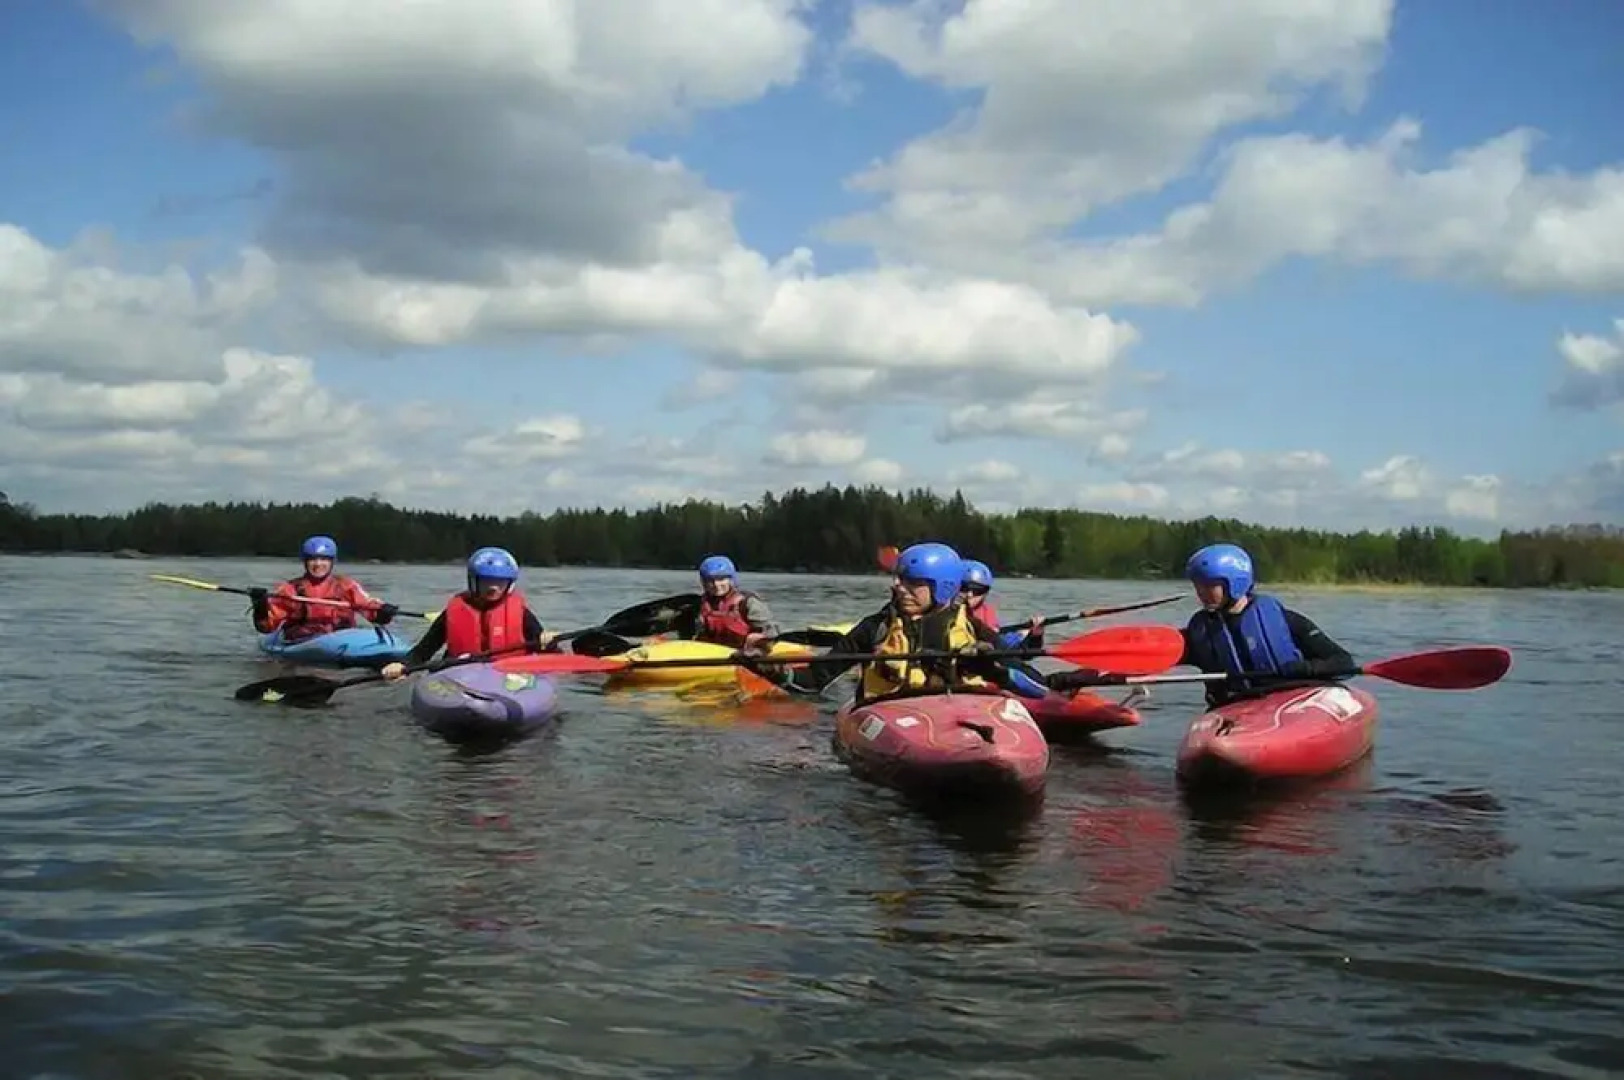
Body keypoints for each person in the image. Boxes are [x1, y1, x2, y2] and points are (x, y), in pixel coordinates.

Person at [744, 541, 1047, 704]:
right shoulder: (874, 628)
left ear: (942, 588)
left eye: (912, 583)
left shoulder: (972, 630)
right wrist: (766, 667)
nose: (898, 587)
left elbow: (1037, 688)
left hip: (957, 713)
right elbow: (812, 682)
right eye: (899, 580)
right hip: (890, 713)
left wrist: (992, 669)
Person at [1152, 541, 1356, 707]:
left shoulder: (1286, 621)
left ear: (1235, 582)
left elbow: (1344, 662)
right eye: (1198, 586)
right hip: (1234, 710)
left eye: (1210, 586)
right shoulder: (1200, 632)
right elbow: (1156, 654)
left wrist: (1306, 668)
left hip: (1292, 703)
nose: (1201, 593)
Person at [380, 546, 556, 680]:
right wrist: (402, 665)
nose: (493, 587)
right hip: (461, 675)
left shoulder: (522, 614)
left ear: (509, 584)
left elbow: (548, 651)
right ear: (473, 581)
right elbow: (422, 652)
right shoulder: (453, 612)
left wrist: (549, 642)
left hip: (509, 678)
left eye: (500, 582)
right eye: (487, 581)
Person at [249, 534, 395, 643]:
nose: (318, 564)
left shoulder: (346, 586)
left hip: (343, 640)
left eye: (324, 559)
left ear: (332, 562)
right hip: (302, 642)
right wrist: (260, 605)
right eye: (313, 559)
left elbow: (369, 608)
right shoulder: (290, 589)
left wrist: (384, 612)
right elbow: (266, 627)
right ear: (305, 561)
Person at [674, 555, 780, 652]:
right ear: (703, 582)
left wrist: (760, 638)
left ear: (731, 580)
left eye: (721, 579)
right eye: (710, 580)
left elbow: (772, 631)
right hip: (709, 655)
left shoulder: (747, 603)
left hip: (745, 654)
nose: (716, 585)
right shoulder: (698, 605)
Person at [960, 559, 1045, 650]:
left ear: (986, 592)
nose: (970, 595)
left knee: (1018, 637)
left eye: (978, 590)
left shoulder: (984, 616)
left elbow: (1006, 648)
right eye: (964, 588)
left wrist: (1035, 636)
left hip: (991, 646)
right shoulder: (951, 610)